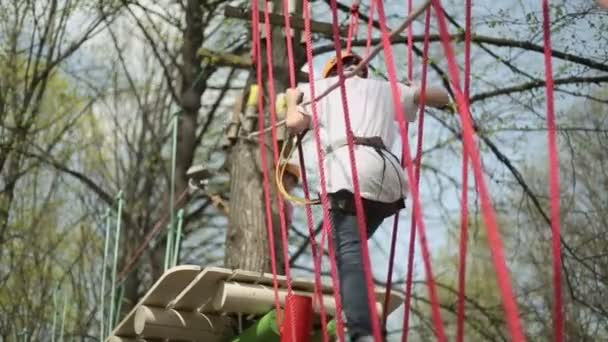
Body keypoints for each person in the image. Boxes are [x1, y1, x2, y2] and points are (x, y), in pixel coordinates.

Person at [284, 51, 450, 342]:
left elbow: (294, 123)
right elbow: (441, 97)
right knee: (350, 245)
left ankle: (361, 330)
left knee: (348, 251)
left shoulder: (323, 89)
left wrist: (290, 101)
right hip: (389, 180)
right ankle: (356, 311)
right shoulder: (386, 89)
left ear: (332, 73)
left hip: (352, 170)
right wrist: (412, 89)